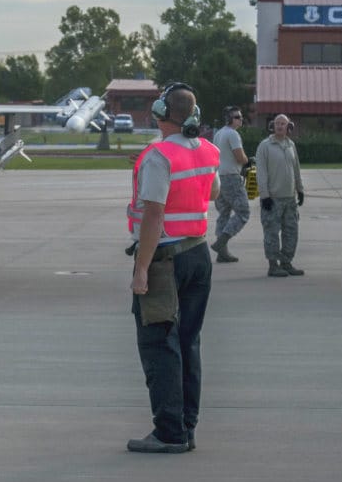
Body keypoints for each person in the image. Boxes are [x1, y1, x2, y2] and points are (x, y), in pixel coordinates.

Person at [125, 83, 220, 454]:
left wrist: (141, 269)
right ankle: (186, 426)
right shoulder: (208, 150)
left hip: (166, 260)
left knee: (159, 344)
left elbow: (154, 213)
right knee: (187, 342)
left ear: (161, 112)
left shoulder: (158, 156)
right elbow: (211, 193)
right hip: (198, 256)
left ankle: (168, 432)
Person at [255, 114, 305, 278]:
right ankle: (273, 265)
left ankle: (286, 262)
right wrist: (265, 196)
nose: (280, 126)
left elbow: (296, 168)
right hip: (273, 199)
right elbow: (261, 172)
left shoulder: (291, 144)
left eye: (283, 124)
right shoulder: (265, 146)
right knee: (271, 232)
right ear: (272, 126)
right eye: (277, 124)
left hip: (289, 199)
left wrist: (300, 189)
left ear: (288, 126)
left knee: (291, 232)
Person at [210, 107, 251, 262]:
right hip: (231, 178)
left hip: (219, 177)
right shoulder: (233, 134)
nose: (240, 119)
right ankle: (221, 242)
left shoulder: (219, 133)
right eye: (237, 117)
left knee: (224, 214)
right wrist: (248, 160)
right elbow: (240, 157)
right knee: (243, 212)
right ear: (229, 119)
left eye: (241, 116)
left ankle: (222, 254)